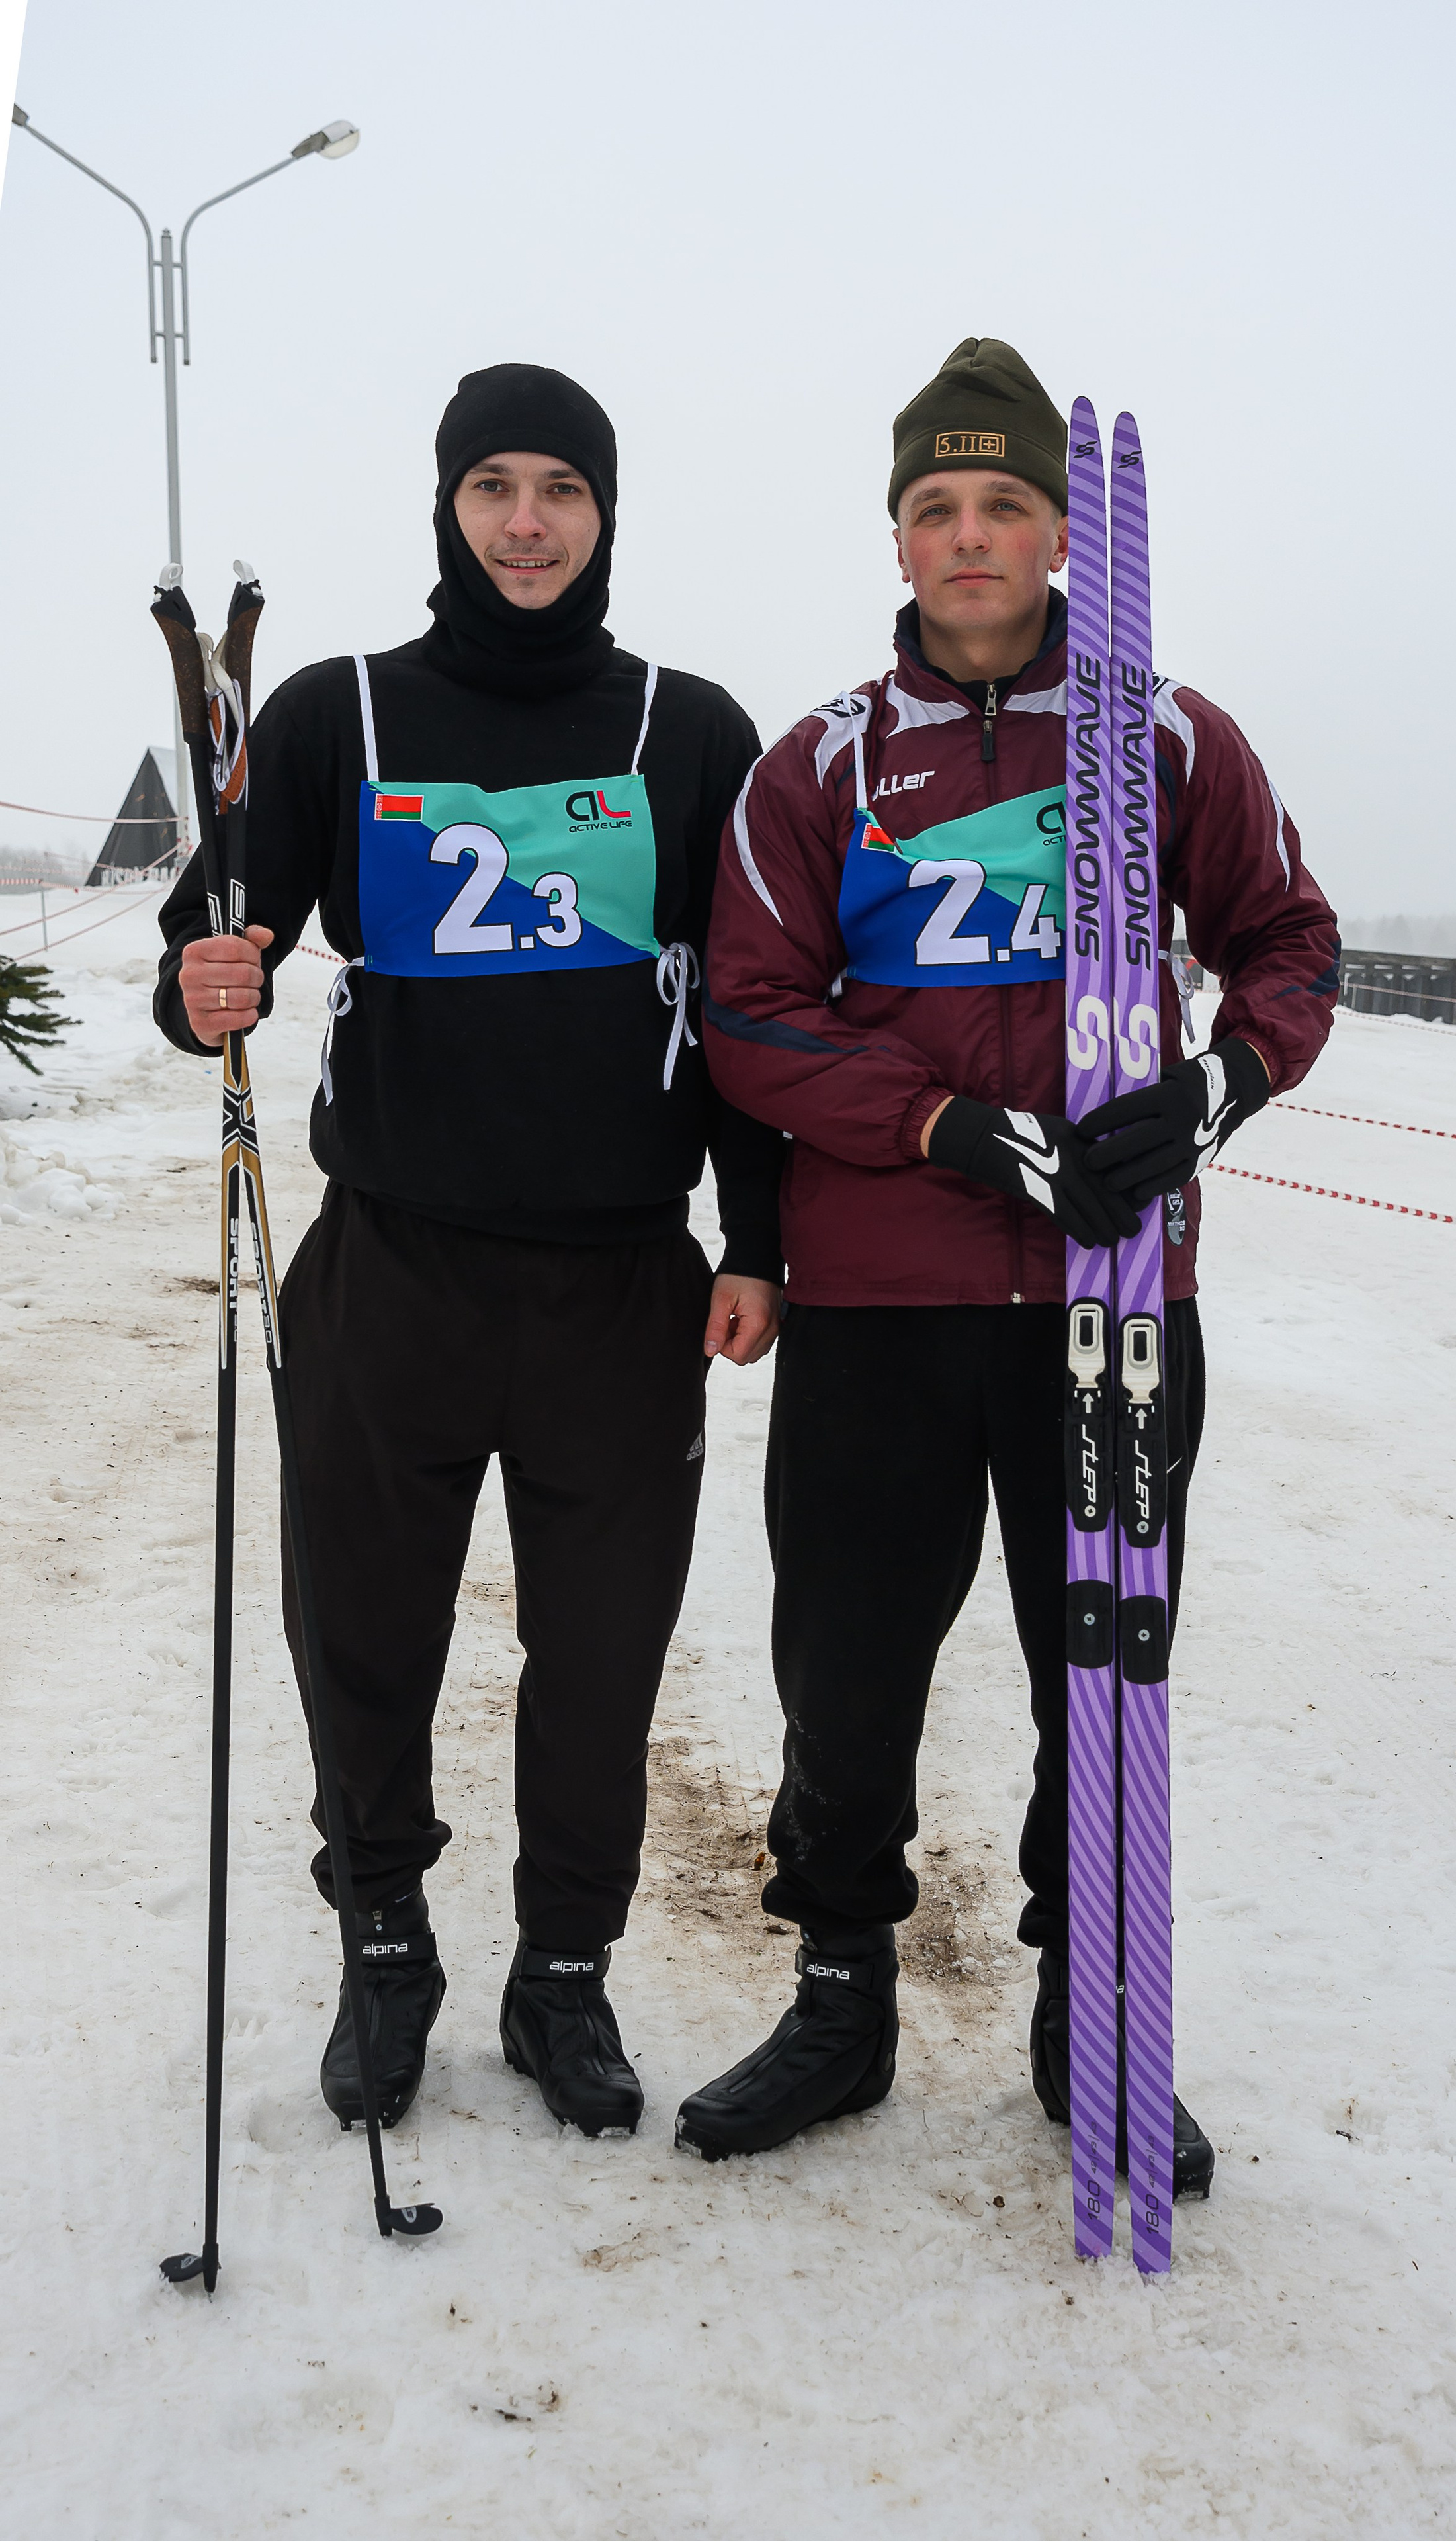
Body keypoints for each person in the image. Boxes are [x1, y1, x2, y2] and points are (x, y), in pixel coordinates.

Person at [685, 337, 1338, 2181]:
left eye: (1005, 505)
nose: (971, 538)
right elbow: (749, 1008)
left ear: (1061, 532)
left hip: (1110, 1308)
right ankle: (838, 1992)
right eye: (936, 508)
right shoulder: (822, 762)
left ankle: (1090, 2014)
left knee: (1098, 1667)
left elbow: (1290, 939)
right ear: (897, 538)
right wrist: (945, 1127)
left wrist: (1212, 1088)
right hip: (885, 1305)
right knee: (848, 1664)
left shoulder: (1170, 737)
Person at [154, 363, 783, 2143]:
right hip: (392, 1271)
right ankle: (386, 1940)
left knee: (600, 1656)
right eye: (494, 485)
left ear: (602, 514)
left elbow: (739, 1014)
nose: (526, 520)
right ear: (449, 504)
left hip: (618, 1287)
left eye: (560, 490)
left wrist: (760, 1236)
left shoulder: (689, 728)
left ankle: (561, 1973)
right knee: (361, 1631)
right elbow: (226, 925)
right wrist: (206, 983)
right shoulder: (341, 713)